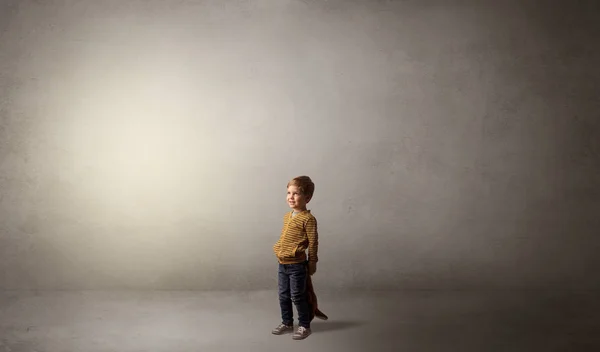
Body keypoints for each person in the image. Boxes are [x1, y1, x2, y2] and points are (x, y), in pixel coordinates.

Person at [271, 176, 326, 340]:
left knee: (298, 295)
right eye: (288, 192)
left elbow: (313, 242)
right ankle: (287, 323)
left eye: (296, 194)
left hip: (297, 265)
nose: (291, 197)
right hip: (282, 264)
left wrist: (312, 262)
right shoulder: (287, 217)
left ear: (307, 198)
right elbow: (285, 237)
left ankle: (304, 325)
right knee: (283, 295)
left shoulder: (308, 219)